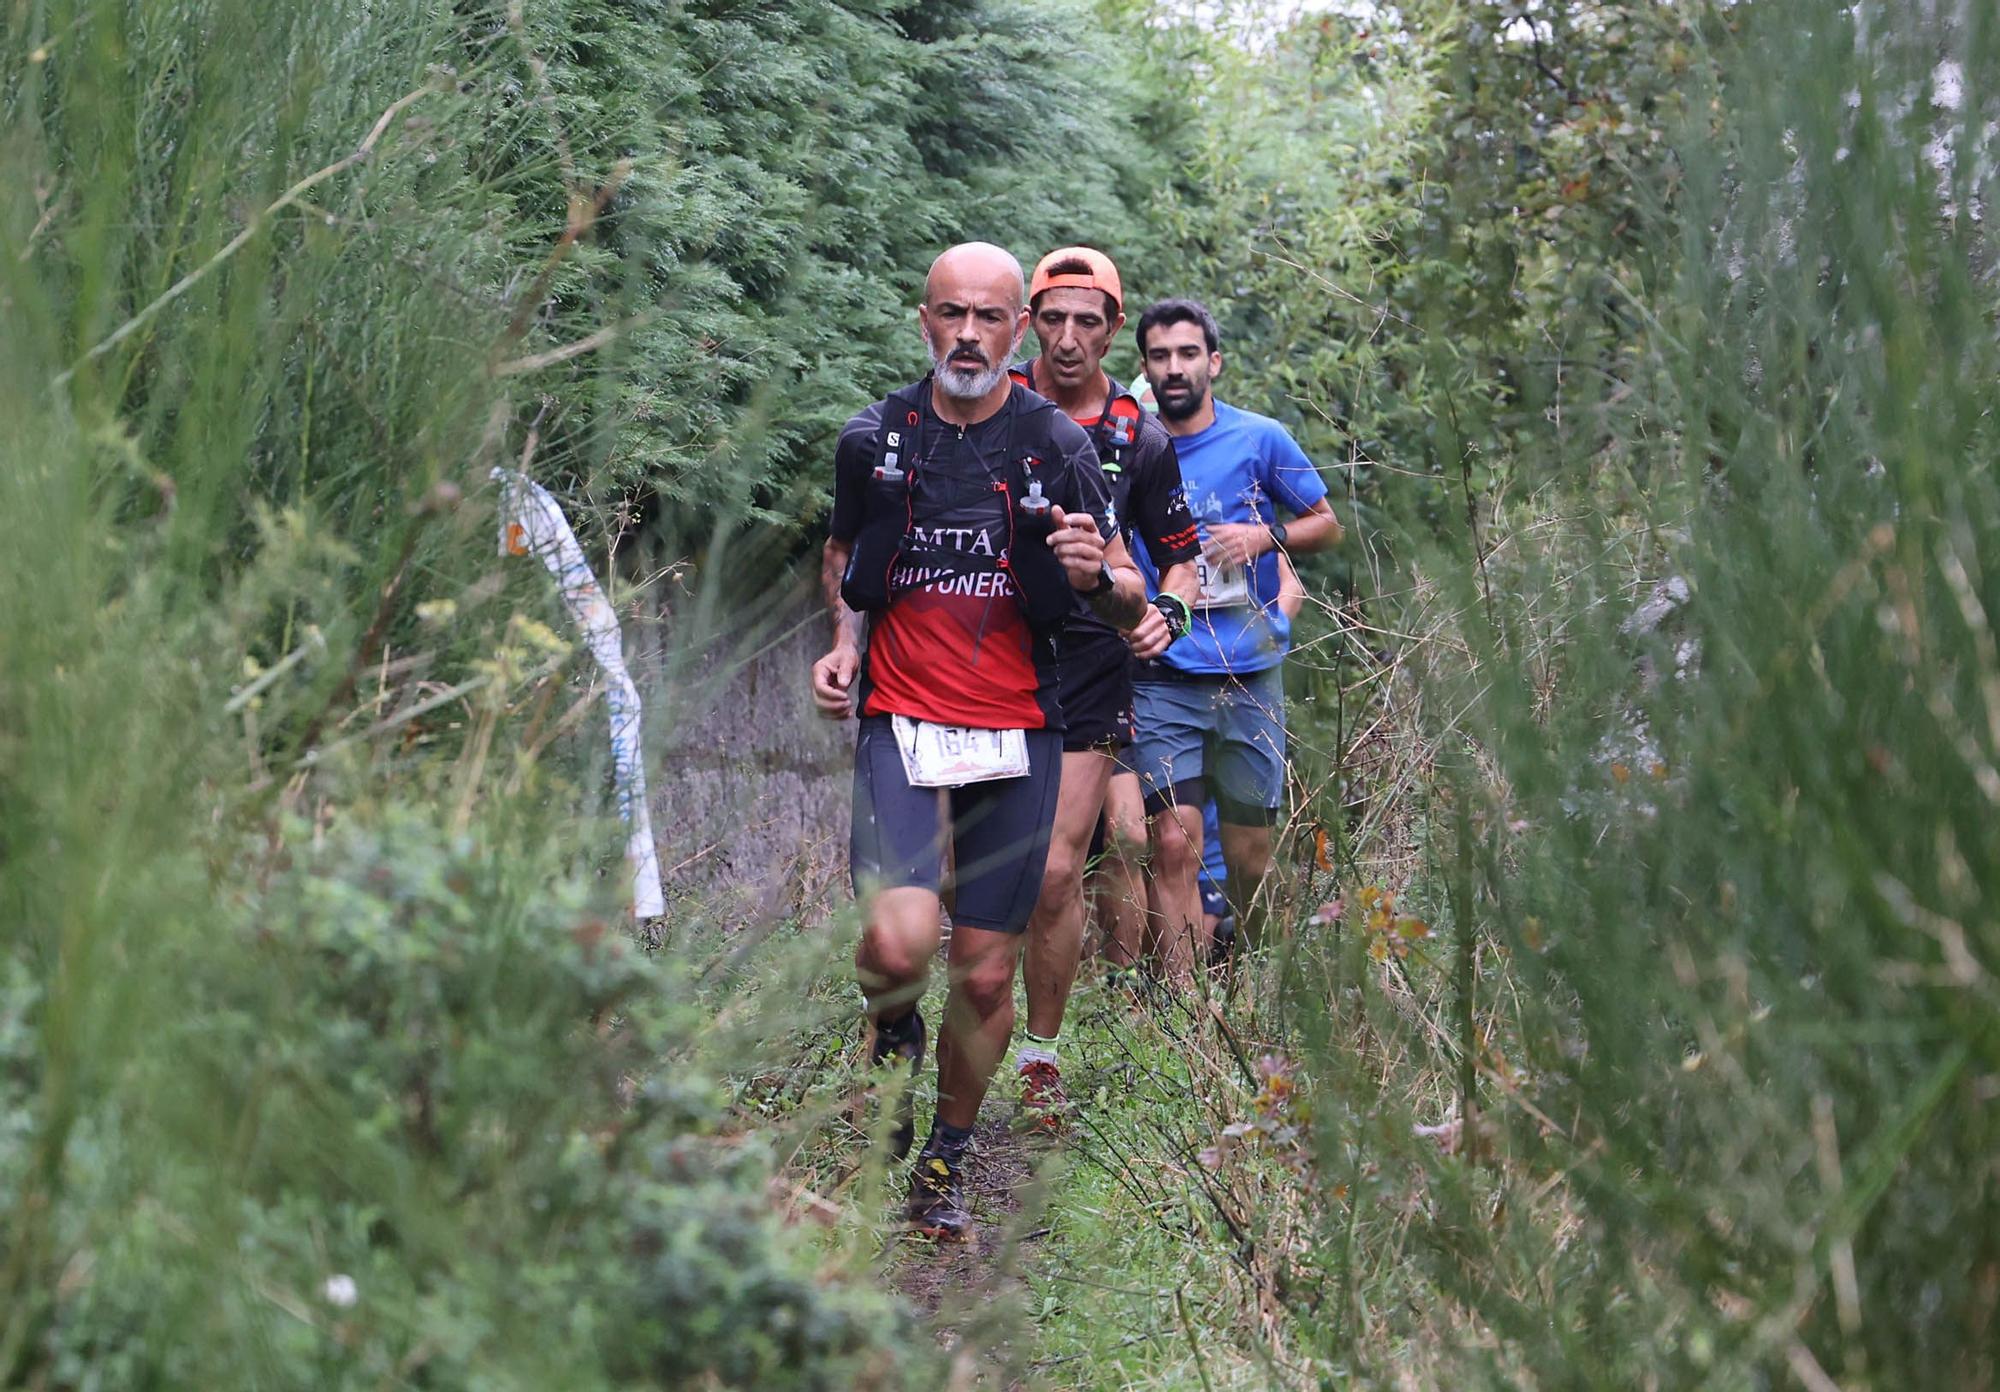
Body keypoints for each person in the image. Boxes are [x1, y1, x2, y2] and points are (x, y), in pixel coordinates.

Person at [811, 242, 1147, 1241]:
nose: (967, 333)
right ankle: (891, 1028)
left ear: (1017, 331)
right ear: (924, 321)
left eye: (987, 317)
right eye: (949, 314)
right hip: (902, 720)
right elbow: (840, 550)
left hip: (1018, 729)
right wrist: (841, 639)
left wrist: (1099, 579)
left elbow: (1129, 599)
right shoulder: (874, 438)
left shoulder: (1056, 446)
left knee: (988, 971)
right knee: (894, 941)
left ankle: (945, 1156)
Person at [1008, 248, 1201, 1128]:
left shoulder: (1141, 438)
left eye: (1090, 320)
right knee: (959, 874)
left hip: (1091, 662)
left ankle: (1048, 1050)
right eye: (1055, 318)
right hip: (988, 655)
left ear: (1115, 328)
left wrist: (1166, 611)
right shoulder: (987, 410)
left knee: (1069, 862)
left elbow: (1184, 561)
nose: (1071, 337)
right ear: (1030, 322)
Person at [1129, 297, 1343, 974]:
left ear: (1213, 363)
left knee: (1250, 856)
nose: (1174, 368)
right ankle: (1185, 1020)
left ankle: (1248, 975)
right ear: (1145, 367)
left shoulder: (1259, 439)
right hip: (1163, 673)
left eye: (1188, 354)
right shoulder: (1128, 447)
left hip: (1248, 674)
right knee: (1174, 844)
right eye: (1160, 356)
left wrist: (1262, 535)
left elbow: (1326, 523)